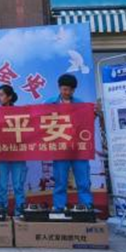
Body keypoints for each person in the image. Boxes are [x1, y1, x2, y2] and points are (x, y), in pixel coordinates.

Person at [44, 74, 93, 212]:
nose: (67, 92)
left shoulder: (81, 104)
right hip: (60, 148)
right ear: (59, 88)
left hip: (79, 148)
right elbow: (40, 122)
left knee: (83, 180)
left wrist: (94, 114)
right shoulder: (49, 103)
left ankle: (86, 207)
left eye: (70, 90)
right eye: (64, 89)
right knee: (60, 181)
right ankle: (59, 207)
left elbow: (87, 124)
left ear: (74, 90)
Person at [0, 85, 27, 216]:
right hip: (0, 154)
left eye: (1, 95)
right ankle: (2, 213)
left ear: (9, 97)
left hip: (18, 154)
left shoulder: (20, 112)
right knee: (1, 186)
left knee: (18, 186)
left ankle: (20, 213)